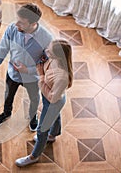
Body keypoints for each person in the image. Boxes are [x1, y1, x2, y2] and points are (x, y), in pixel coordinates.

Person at [0, 3, 53, 131]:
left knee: (34, 98)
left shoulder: (46, 38)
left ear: (33, 23)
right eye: (17, 20)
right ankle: (6, 113)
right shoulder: (12, 28)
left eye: (21, 23)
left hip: (32, 77)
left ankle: (33, 116)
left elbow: (47, 64)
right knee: (8, 96)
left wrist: (27, 70)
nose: (16, 24)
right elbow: (2, 50)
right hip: (13, 74)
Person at [15, 39, 73, 167]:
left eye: (49, 50)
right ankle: (53, 135)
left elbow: (52, 98)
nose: (46, 51)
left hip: (53, 101)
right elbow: (41, 63)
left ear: (57, 55)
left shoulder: (62, 77)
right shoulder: (52, 58)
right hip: (51, 98)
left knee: (41, 130)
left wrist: (41, 77)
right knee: (56, 116)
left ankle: (34, 156)